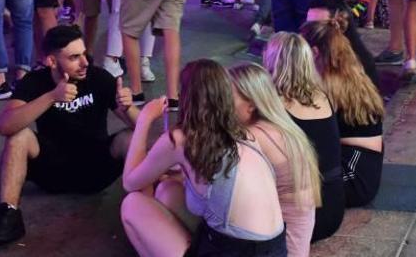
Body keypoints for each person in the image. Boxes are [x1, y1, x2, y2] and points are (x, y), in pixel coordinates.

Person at [0, 25, 138, 245]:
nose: (85, 62)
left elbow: (144, 130)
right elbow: (5, 125)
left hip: (95, 169)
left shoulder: (98, 78)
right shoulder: (35, 82)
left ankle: (150, 208)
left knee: (131, 137)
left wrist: (128, 108)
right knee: (18, 137)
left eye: (85, 54)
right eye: (75, 57)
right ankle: (8, 214)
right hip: (52, 171)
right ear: (51, 61)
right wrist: (51, 97)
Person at [120, 59, 286, 256]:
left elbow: (130, 182)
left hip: (236, 250)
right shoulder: (243, 132)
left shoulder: (181, 139)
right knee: (167, 190)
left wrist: (145, 119)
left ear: (186, 98)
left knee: (132, 204)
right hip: (274, 249)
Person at [228, 62, 321, 257]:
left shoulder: (251, 137)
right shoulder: (283, 127)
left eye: (227, 98)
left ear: (251, 104)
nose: (221, 105)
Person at [263, 32, 344, 242]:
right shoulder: (323, 96)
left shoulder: (272, 106)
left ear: (272, 61)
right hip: (333, 209)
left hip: (301, 217)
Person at [300, 20, 384, 207]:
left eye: (299, 53)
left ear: (314, 53)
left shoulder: (326, 88)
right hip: (364, 175)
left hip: (350, 178)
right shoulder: (352, 74)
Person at [306, 0, 379, 88]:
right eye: (308, 25)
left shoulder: (363, 63)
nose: (310, 31)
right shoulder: (303, 56)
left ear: (339, 24)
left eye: (320, 26)